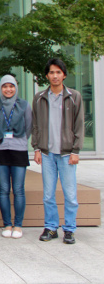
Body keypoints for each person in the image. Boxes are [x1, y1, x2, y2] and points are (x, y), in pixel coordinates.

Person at [32, 58, 84, 244]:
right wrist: (36, 148)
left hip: (67, 153)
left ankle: (69, 229)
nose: (55, 75)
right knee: (48, 194)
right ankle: (51, 227)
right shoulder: (39, 98)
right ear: (47, 75)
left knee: (70, 194)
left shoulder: (74, 96)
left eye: (58, 72)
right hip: (46, 153)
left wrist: (76, 150)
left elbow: (78, 125)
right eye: (51, 72)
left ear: (64, 74)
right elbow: (36, 125)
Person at [0, 75, 32, 239]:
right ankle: (7, 224)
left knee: (18, 190)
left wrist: (19, 141)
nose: (8, 89)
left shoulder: (24, 105)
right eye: (4, 86)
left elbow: (29, 127)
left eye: (11, 86)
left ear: (16, 87)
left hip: (19, 150)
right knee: (3, 190)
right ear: (0, 89)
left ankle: (18, 225)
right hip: (0, 150)